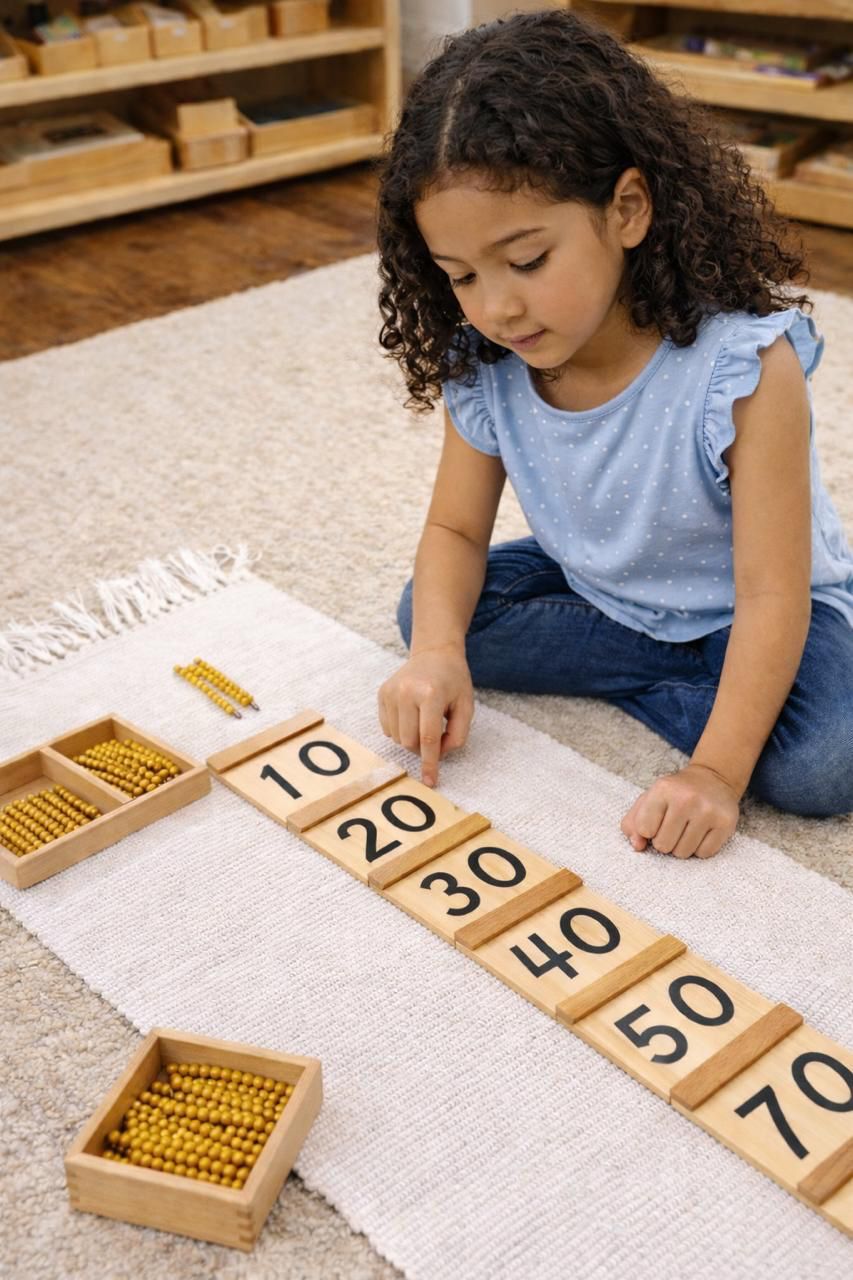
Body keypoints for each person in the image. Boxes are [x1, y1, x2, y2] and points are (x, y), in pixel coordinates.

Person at [374, 9, 853, 859]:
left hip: (755, 606)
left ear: (627, 209)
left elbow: (772, 594)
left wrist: (713, 773)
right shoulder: (485, 360)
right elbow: (453, 529)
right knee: (430, 617)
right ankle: (680, 676)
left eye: (526, 262)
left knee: (818, 767)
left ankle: (698, 685)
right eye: (460, 278)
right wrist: (439, 654)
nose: (497, 307)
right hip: (597, 582)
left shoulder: (742, 368)